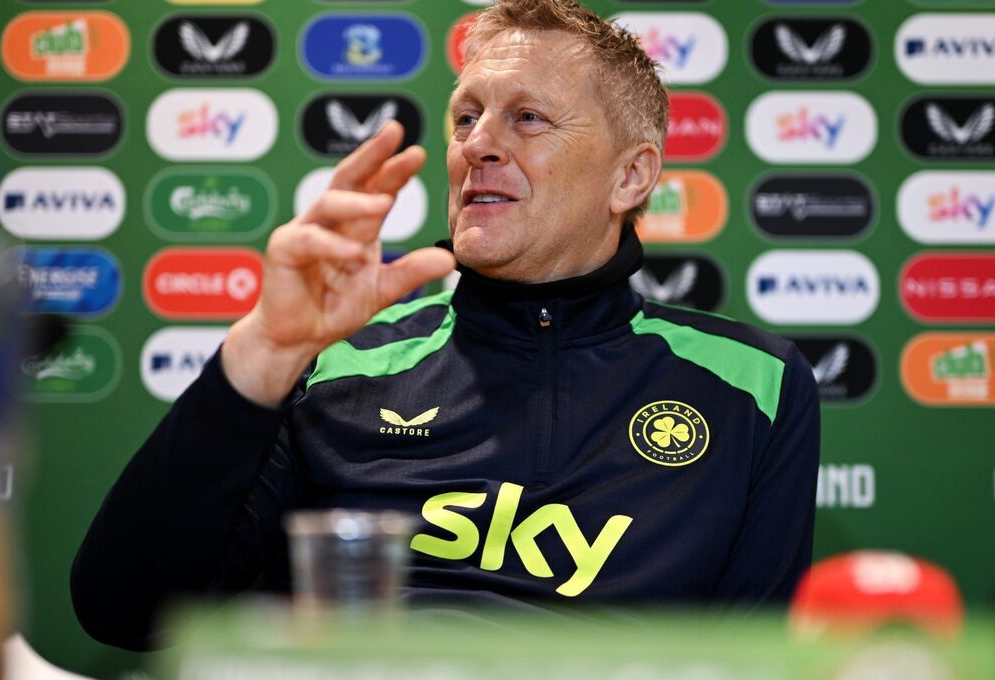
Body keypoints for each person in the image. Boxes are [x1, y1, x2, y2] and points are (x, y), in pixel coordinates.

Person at [72, 0, 820, 651]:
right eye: (466, 117)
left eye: (527, 117)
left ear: (631, 176)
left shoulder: (753, 386)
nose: (477, 145)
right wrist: (265, 350)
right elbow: (126, 613)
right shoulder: (339, 361)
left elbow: (747, 661)